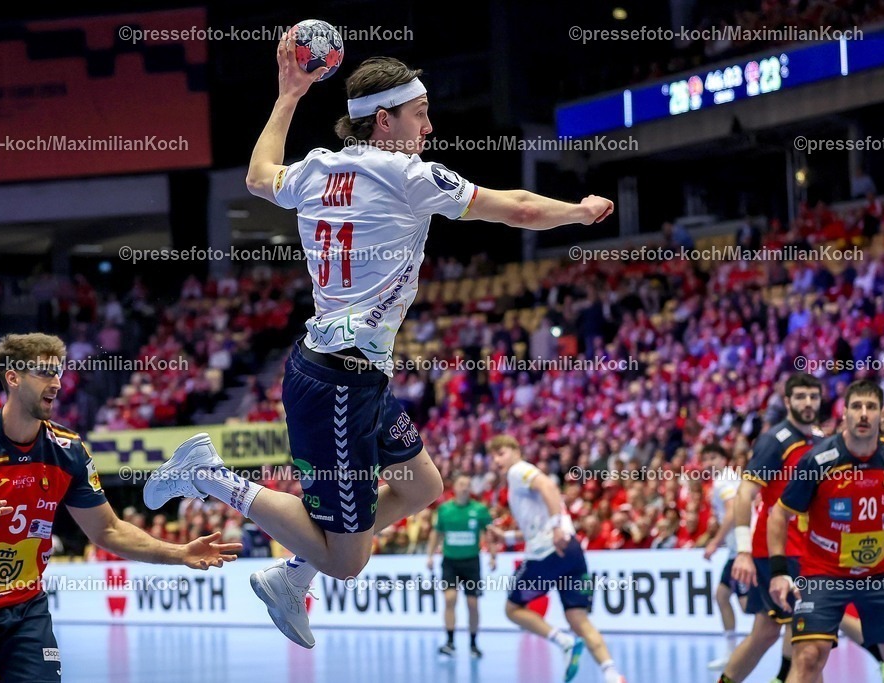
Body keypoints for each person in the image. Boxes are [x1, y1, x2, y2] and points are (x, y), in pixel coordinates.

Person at [143, 34, 614, 649]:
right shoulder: (408, 174)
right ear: (385, 121)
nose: (429, 126)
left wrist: (288, 96)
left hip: (353, 373)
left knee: (424, 485)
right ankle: (210, 474)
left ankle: (291, 574)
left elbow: (259, 176)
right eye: (419, 115)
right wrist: (579, 212)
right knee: (348, 560)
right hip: (337, 383)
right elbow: (519, 209)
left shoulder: (313, 168)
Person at [0, 334, 240, 683]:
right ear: (13, 378)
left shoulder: (68, 450)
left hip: (25, 607)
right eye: (45, 372)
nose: (57, 383)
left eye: (58, 373)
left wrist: (179, 553)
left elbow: (108, 530)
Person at [770, 379, 884, 683]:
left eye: (871, 407)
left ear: (881, 414)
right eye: (857, 406)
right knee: (808, 657)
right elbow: (779, 514)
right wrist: (779, 571)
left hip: (880, 574)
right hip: (824, 574)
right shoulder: (817, 461)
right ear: (844, 413)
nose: (864, 414)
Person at [485, 435, 625, 683]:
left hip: (547, 553)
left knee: (512, 608)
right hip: (571, 550)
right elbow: (531, 530)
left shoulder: (519, 471)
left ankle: (564, 641)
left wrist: (555, 525)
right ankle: (612, 674)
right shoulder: (517, 480)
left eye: (501, 452)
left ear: (516, 450)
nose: (497, 460)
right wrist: (505, 536)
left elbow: (549, 487)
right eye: (493, 456)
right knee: (578, 618)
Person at [719, 372, 823, 683]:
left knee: (769, 632)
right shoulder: (774, 441)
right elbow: (744, 493)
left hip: (808, 551)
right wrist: (742, 551)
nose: (807, 403)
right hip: (776, 551)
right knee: (807, 639)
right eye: (801, 397)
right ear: (788, 401)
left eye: (813, 397)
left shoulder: (821, 441)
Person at [425, 473, 495, 658]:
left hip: (471, 562)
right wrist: (430, 556)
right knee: (449, 600)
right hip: (450, 562)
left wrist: (493, 556)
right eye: (461, 484)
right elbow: (436, 534)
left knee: (472, 604)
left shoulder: (479, 509)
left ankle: (473, 644)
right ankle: (450, 642)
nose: (465, 487)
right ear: (454, 488)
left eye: (467, 484)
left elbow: (489, 534)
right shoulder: (444, 510)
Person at [701, 443, 750, 672]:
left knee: (748, 605)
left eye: (714, 457)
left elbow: (732, 511)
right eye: (706, 459)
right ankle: (731, 653)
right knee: (721, 596)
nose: (710, 463)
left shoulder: (723, 482)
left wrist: (714, 541)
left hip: (741, 549)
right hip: (735, 549)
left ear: (724, 459)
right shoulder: (729, 478)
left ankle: (793, 627)